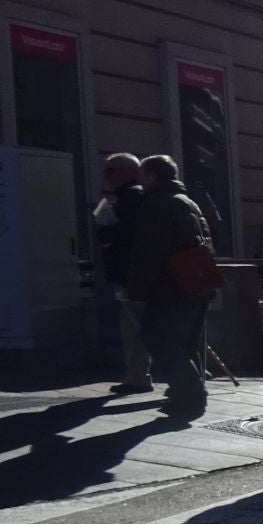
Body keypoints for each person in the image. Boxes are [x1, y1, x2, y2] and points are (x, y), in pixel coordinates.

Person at [125, 154, 214, 418]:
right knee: (186, 343)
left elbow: (149, 251)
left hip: (170, 285)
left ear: (152, 175)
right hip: (197, 281)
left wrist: (136, 288)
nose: (139, 182)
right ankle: (189, 396)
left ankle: (190, 396)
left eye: (142, 175)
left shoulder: (157, 204)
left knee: (159, 338)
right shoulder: (188, 201)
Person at [94, 153, 152, 395]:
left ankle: (138, 376)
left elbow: (123, 237)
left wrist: (105, 231)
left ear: (128, 172)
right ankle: (139, 375)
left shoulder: (131, 200)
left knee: (136, 326)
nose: (106, 177)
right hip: (134, 272)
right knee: (138, 324)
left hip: (132, 273)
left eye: (110, 171)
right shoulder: (134, 198)